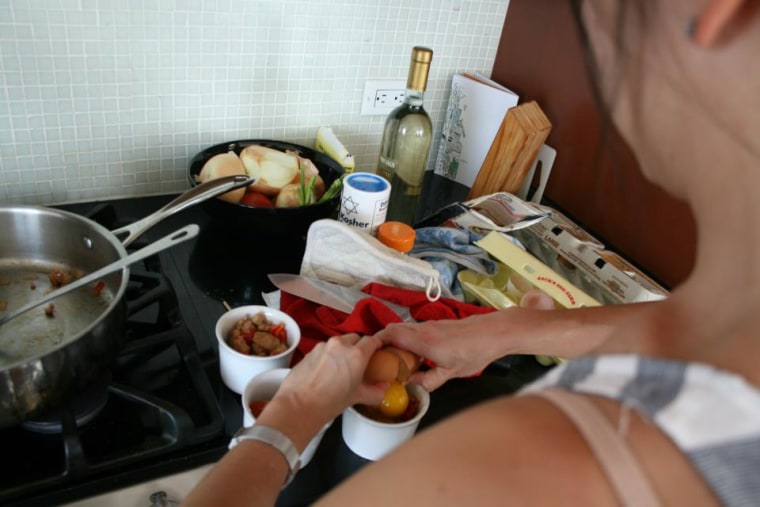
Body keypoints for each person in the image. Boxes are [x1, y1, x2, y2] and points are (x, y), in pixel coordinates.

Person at [183, 0, 760, 505]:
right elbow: (680, 327)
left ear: (712, 9)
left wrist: (290, 420)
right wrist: (511, 330)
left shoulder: (517, 464)